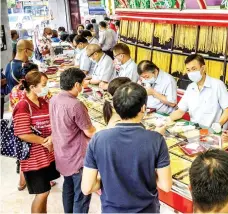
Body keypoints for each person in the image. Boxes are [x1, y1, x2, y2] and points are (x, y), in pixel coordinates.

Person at [82, 82, 172, 213]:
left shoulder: (98, 139)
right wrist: (144, 175)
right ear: (143, 108)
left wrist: (109, 177)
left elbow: (87, 188)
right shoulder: (156, 140)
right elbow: (166, 185)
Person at [12, 71, 60, 213]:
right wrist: (45, 141)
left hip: (47, 156)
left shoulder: (44, 102)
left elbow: (52, 123)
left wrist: (52, 137)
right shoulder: (23, 105)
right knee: (42, 192)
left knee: (46, 190)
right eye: (44, 85)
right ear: (32, 87)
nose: (47, 88)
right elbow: (22, 133)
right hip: (33, 158)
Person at [49, 68, 96, 213]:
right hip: (77, 158)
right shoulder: (76, 105)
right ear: (76, 85)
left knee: (68, 190)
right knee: (81, 195)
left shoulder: (54, 99)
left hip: (62, 153)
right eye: (82, 84)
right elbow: (89, 131)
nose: (83, 87)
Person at [169, 54, 228, 129]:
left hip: (213, 132)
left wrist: (219, 124)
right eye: (188, 70)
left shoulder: (217, 85)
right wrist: (168, 119)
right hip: (194, 130)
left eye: (194, 69)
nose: (191, 73)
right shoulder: (190, 88)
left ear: (203, 68)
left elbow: (227, 110)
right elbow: (180, 111)